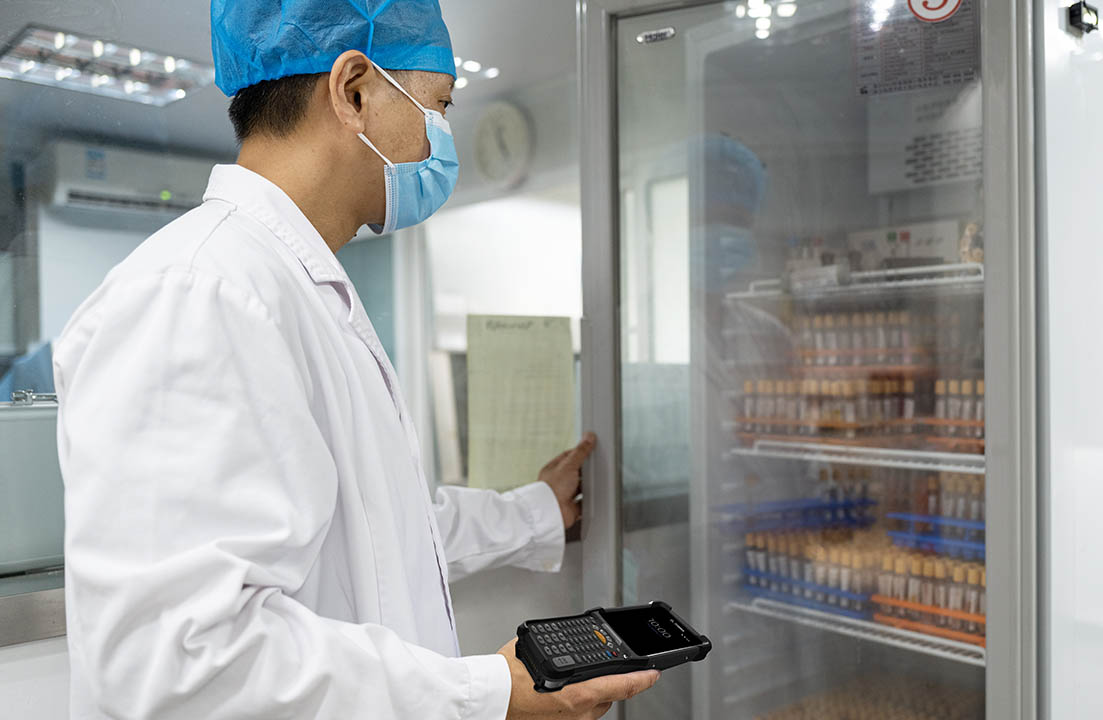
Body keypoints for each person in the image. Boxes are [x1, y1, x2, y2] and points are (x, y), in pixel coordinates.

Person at [51, 1, 658, 718]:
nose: (443, 137)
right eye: (438, 105)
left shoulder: (293, 287)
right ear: (354, 91)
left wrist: (535, 513)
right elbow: (182, 666)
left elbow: (372, 527)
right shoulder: (199, 293)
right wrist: (491, 694)